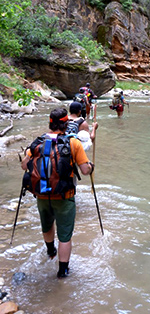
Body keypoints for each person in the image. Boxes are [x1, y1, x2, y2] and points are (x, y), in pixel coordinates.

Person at [21, 108, 95, 278]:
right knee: (65, 235)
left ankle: (50, 251)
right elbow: (84, 171)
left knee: (47, 226)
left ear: (50, 123)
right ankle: (63, 271)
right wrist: (91, 166)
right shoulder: (73, 143)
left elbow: (24, 166)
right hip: (64, 197)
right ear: (66, 124)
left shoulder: (38, 142)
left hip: (41, 195)